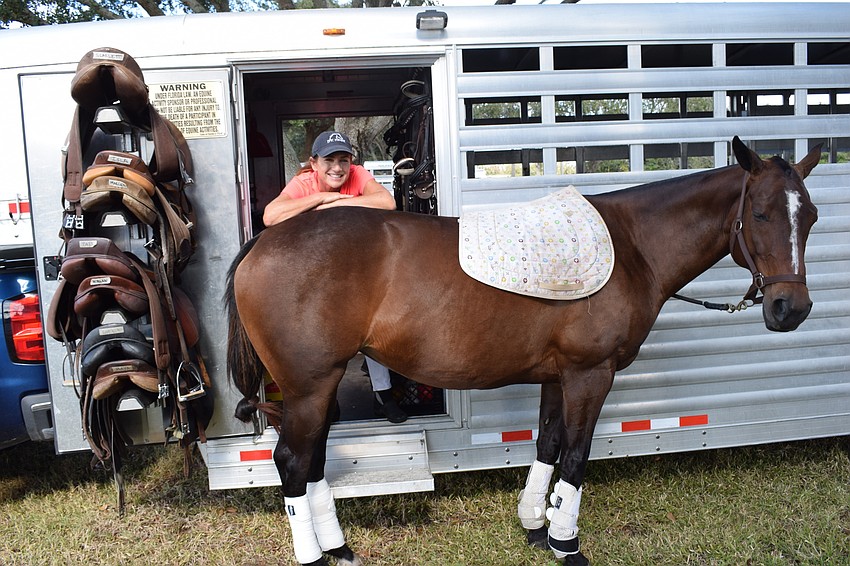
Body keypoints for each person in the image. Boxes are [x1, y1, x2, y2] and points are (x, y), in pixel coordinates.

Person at [263, 131, 407, 423]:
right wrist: (320, 196)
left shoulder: (358, 174)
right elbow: (271, 216)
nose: (338, 168)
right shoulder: (304, 181)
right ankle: (329, 402)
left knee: (374, 334)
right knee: (324, 344)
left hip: (358, 270)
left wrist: (336, 203)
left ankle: (385, 396)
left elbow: (387, 203)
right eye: (329, 160)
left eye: (344, 160)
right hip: (315, 275)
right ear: (314, 163)